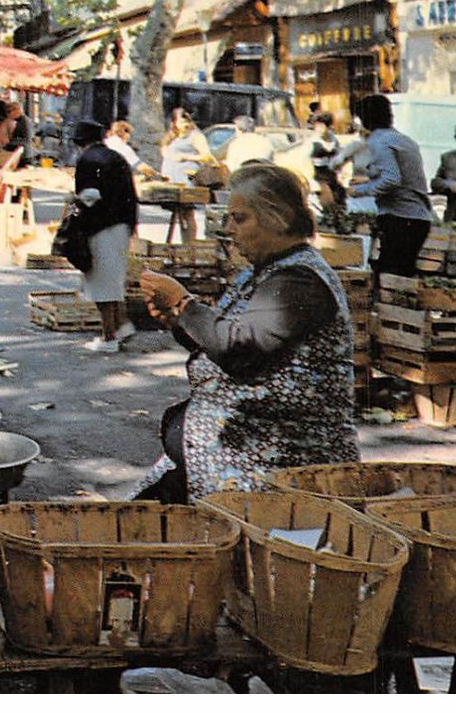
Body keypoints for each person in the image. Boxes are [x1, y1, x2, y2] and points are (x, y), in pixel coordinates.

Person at [134, 164, 360, 503]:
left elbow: (238, 349)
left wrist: (183, 304)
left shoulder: (300, 281)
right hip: (230, 448)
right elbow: (223, 336)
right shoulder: (268, 271)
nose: (229, 230)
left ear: (278, 218)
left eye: (239, 219)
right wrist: (177, 321)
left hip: (278, 462)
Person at [346, 94, 434, 277]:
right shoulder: (404, 140)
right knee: (403, 277)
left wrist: (358, 191)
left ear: (365, 119)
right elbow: (403, 176)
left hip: (400, 219)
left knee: (390, 279)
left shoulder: (377, 142)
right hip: (419, 218)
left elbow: (391, 180)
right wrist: (368, 180)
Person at [70, 120, 139, 348]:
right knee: (114, 278)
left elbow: (89, 196)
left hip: (101, 225)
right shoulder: (117, 157)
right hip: (123, 224)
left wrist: (73, 205)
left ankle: (109, 336)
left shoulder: (87, 160)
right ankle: (122, 325)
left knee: (101, 281)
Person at [159, 107, 213, 244]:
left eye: (187, 122)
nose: (185, 125)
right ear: (174, 122)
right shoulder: (172, 136)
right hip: (172, 179)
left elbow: (207, 156)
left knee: (188, 212)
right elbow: (164, 150)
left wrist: (185, 156)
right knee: (180, 214)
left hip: (186, 178)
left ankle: (190, 244)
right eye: (181, 122)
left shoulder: (195, 136)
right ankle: (184, 244)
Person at [307, 111, 344, 212]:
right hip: (317, 173)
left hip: (331, 172)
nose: (318, 129)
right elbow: (306, 161)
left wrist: (340, 173)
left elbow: (339, 155)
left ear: (327, 127)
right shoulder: (312, 141)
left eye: (321, 126)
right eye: (316, 126)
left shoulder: (333, 138)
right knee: (327, 200)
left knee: (339, 196)